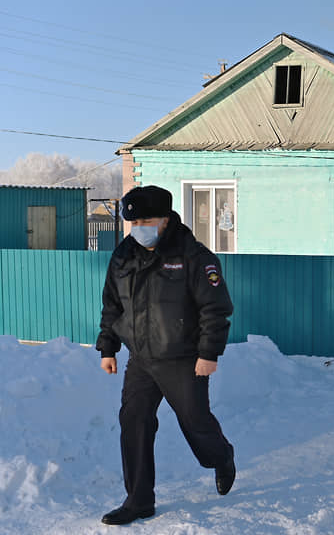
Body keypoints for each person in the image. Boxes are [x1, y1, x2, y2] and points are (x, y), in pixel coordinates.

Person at [96, 185, 236, 526]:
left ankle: (222, 456)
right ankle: (139, 500)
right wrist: (108, 346)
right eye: (134, 221)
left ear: (165, 218)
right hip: (141, 359)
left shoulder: (193, 256)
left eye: (146, 220)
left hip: (184, 360)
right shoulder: (124, 255)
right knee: (134, 423)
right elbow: (113, 304)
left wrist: (209, 353)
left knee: (195, 423)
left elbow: (215, 309)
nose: (139, 227)